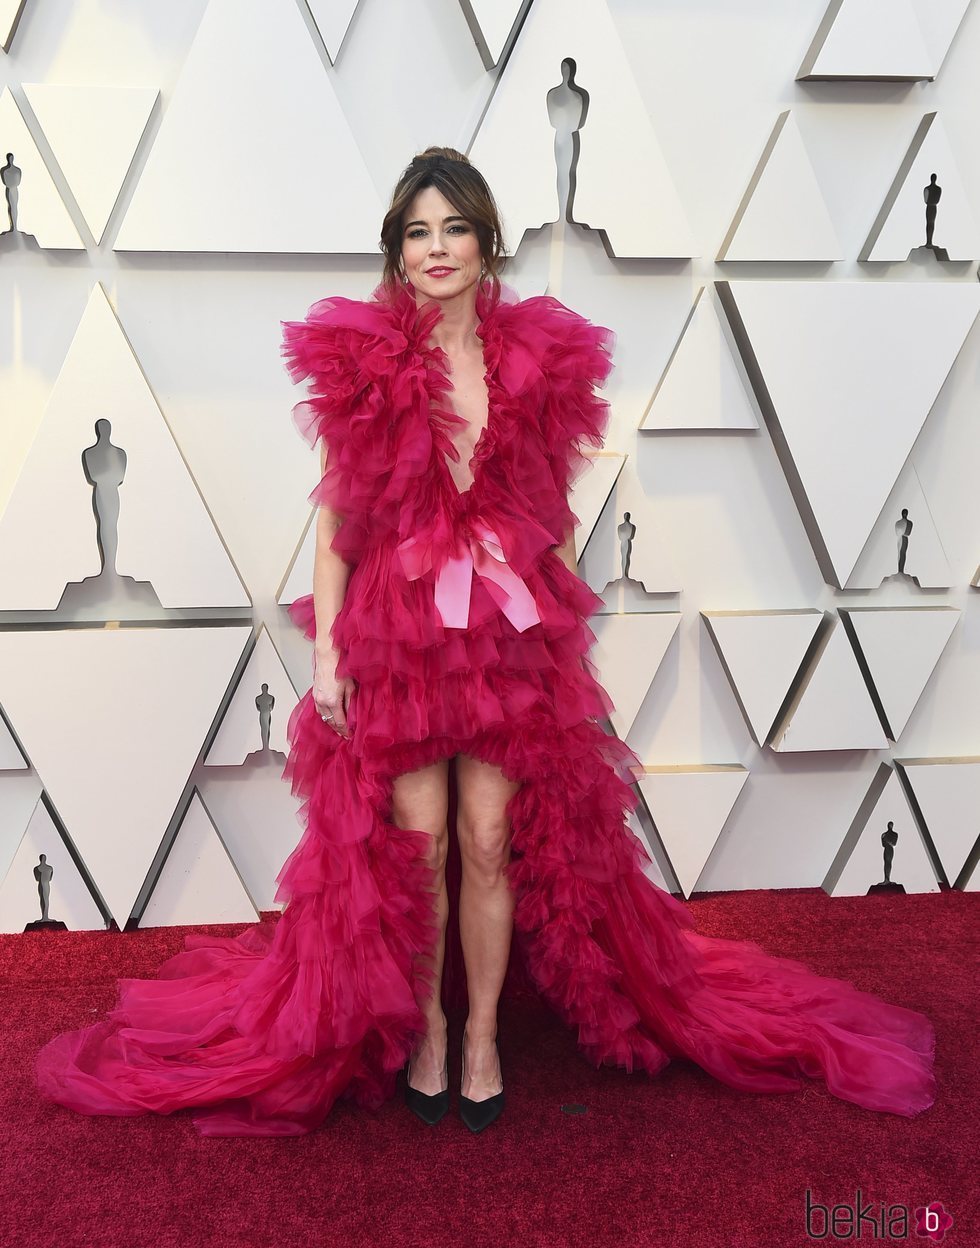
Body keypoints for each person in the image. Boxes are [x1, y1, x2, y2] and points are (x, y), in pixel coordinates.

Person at [34, 147, 936, 1138]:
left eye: (452, 228)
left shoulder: (537, 362)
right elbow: (335, 529)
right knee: (417, 849)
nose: (435, 249)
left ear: (483, 241)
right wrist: (331, 654)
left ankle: (480, 1040)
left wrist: (523, 560)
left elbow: (551, 513)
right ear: (397, 249)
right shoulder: (365, 366)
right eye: (416, 232)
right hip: (399, 638)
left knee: (489, 840)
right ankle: (425, 1028)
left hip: (504, 640)